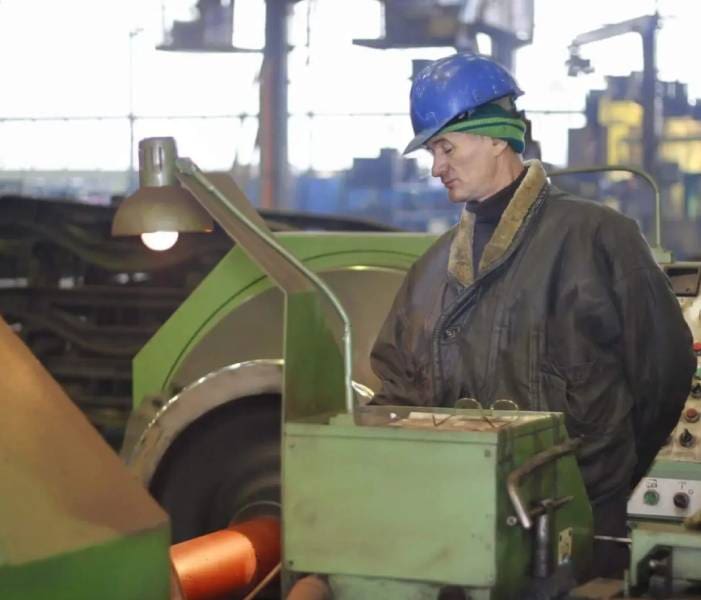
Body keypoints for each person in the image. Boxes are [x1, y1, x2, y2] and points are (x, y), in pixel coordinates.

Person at [370, 53, 695, 577]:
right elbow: (396, 395)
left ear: (497, 137)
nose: (436, 167)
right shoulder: (430, 272)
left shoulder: (599, 240)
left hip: (577, 527)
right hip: (460, 530)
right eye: (432, 151)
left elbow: (666, 370)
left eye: (445, 147)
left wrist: (603, 480)